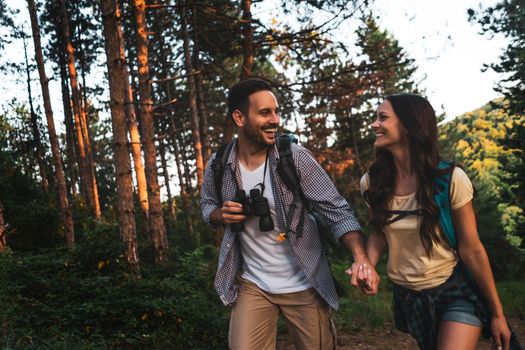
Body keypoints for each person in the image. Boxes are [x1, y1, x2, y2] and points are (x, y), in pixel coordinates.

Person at [200, 77, 379, 350]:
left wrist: (361, 257)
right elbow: (207, 205)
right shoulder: (220, 162)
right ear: (239, 117)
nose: (275, 120)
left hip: (304, 281)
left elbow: (337, 210)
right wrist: (219, 216)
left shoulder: (293, 157)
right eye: (264, 113)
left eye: (276, 111)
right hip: (253, 284)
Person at [358, 93, 512, 350]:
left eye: (382, 118)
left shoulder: (451, 179)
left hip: (454, 290)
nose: (374, 124)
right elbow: (379, 232)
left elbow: (472, 250)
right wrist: (369, 266)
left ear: (408, 126)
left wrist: (497, 314)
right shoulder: (372, 183)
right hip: (411, 298)